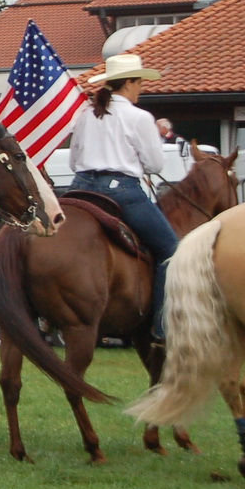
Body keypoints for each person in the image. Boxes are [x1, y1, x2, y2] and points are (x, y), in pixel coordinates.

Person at [67, 52, 174, 339]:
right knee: (171, 252)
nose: (141, 89)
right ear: (129, 83)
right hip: (122, 193)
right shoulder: (139, 117)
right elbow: (155, 165)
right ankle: (162, 326)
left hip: (79, 189)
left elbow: (74, 161)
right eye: (139, 83)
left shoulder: (87, 114)